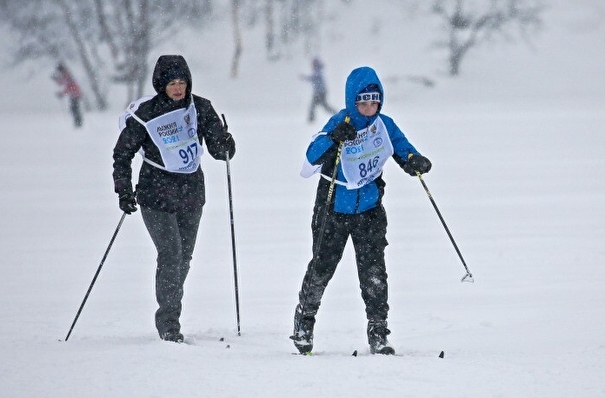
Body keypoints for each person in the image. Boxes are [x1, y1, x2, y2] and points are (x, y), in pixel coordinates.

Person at [291, 66, 432, 355]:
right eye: (363, 102)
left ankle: (378, 331)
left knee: (374, 272)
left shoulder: (385, 124)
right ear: (352, 101)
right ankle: (304, 322)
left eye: (374, 101)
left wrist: (415, 161)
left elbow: (403, 149)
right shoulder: (338, 121)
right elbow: (308, 164)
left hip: (369, 209)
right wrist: (332, 138)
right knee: (322, 267)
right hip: (333, 208)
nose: (369, 108)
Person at [112, 55, 236, 343]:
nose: (178, 89)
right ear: (161, 85)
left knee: (184, 258)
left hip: (191, 194)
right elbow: (122, 154)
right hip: (155, 195)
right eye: (172, 83)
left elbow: (219, 150)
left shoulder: (200, 108)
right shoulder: (147, 114)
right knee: (171, 255)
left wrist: (227, 144)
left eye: (182, 83)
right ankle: (169, 322)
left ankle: (170, 306)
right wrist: (123, 189)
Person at [300, 57, 336, 123]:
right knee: (321, 106)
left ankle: (311, 119)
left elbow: (313, 77)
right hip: (319, 91)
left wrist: (304, 77)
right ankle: (311, 118)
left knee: (318, 105)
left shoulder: (318, 71)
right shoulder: (318, 70)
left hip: (320, 92)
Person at [52, 63, 83, 127]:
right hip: (74, 93)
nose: (59, 73)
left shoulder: (67, 75)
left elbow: (69, 86)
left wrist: (62, 94)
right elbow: (62, 83)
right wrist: (56, 80)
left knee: (74, 108)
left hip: (75, 93)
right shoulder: (66, 74)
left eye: (59, 71)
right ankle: (78, 122)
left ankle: (78, 123)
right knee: (74, 108)